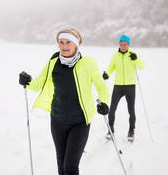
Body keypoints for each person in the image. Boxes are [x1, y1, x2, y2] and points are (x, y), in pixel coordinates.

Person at [19, 27, 109, 175]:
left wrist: (104, 102)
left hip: (80, 121)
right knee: (61, 166)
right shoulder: (53, 62)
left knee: (70, 167)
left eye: (68, 42)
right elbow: (37, 85)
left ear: (76, 44)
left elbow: (101, 86)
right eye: (61, 42)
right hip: (57, 120)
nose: (64, 46)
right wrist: (27, 80)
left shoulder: (88, 63)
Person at [102, 34, 145, 141]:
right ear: (119, 45)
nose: (123, 46)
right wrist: (107, 73)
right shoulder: (115, 56)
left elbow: (142, 66)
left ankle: (131, 130)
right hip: (118, 86)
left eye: (125, 44)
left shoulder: (133, 54)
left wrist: (136, 60)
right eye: (121, 44)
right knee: (112, 109)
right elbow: (111, 66)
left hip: (130, 86)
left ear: (128, 44)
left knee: (131, 110)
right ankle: (110, 129)